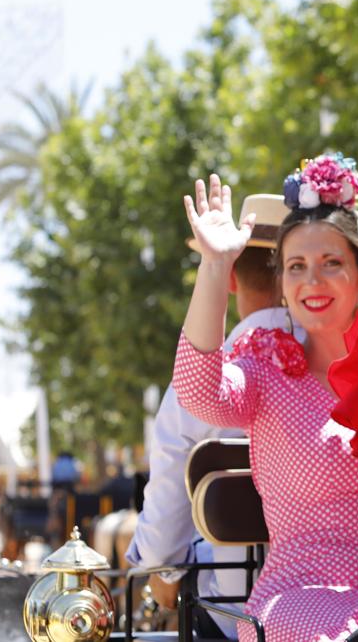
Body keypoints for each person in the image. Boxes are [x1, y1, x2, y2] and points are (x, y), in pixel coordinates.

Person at [173, 156, 358, 641]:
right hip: (296, 601)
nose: (312, 281)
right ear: (283, 287)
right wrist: (215, 264)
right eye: (296, 267)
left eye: (332, 264)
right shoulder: (268, 368)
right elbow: (200, 394)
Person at [126, 194, 298, 639]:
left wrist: (159, 573)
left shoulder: (200, 384)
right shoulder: (351, 366)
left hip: (235, 616)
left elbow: (165, 522)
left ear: (234, 280)